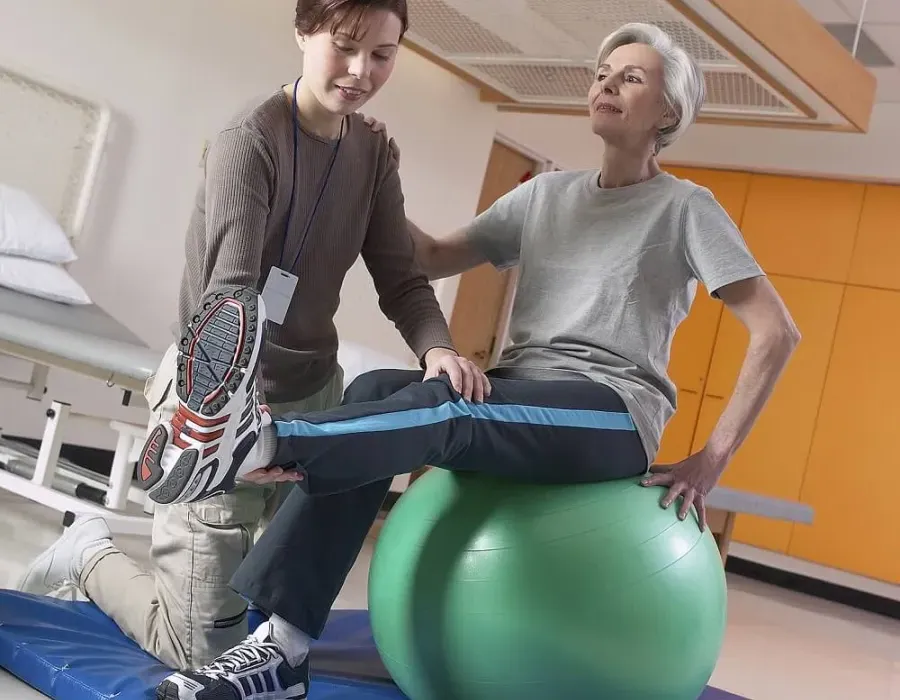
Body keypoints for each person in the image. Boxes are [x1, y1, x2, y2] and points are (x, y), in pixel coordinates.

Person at [141, 20, 802, 700]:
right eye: (602, 72)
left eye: (630, 77)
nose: (606, 83)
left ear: (670, 112)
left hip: (609, 411)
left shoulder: (687, 209)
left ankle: (256, 443)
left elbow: (776, 333)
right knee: (375, 385)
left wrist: (712, 458)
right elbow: (427, 258)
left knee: (448, 407)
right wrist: (370, 174)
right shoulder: (546, 195)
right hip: (521, 390)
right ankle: (283, 648)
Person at [15, 0, 488, 673]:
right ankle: (89, 552)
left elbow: (403, 282)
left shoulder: (374, 155)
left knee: (273, 624)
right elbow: (227, 302)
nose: (361, 71)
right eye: (344, 46)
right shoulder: (250, 140)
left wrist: (437, 348)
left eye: (382, 54)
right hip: (217, 406)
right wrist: (244, 424)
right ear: (303, 32)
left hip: (314, 401)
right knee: (198, 648)